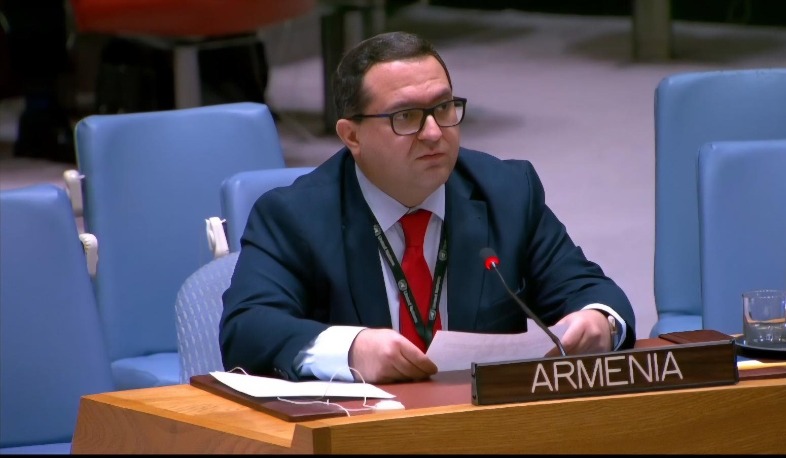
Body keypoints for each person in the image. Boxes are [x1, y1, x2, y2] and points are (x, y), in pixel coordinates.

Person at [219, 31, 636, 384]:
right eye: (406, 116)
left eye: (442, 108)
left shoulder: (507, 192)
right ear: (352, 136)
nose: (434, 132)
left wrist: (597, 321)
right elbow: (247, 328)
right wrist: (351, 349)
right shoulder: (295, 216)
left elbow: (593, 293)